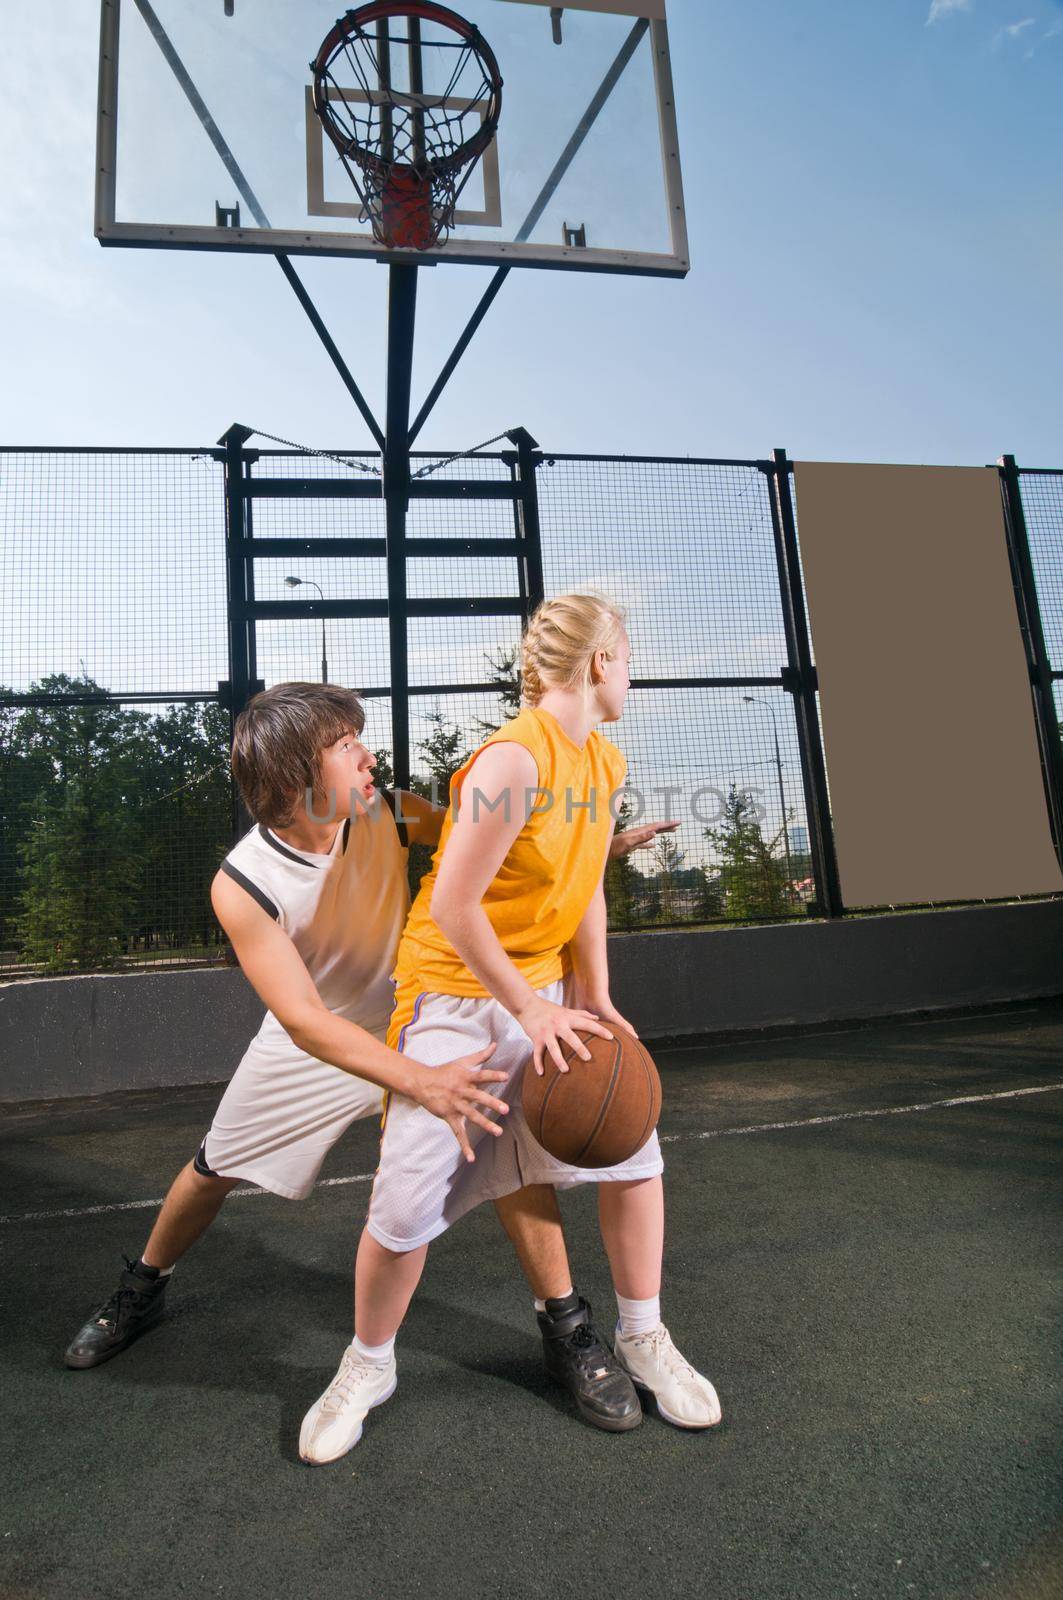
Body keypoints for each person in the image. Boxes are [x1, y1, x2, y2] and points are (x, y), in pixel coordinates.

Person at [63, 681, 674, 1419]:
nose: (369, 756)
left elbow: (488, 848)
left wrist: (589, 850)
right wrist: (420, 1081)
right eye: (347, 747)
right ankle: (142, 1288)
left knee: (507, 1158)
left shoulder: (386, 811)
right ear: (295, 780)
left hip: (423, 1008)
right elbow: (302, 1021)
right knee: (213, 1166)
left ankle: (566, 1326)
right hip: (322, 1038)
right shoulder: (244, 883)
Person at [299, 597, 722, 1466]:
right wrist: (527, 1010)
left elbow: (583, 888)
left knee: (635, 1150)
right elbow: (453, 905)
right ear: (600, 661)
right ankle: (367, 1364)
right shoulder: (510, 759)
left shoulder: (602, 762)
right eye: (629, 653)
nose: (632, 670)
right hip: (452, 994)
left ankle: (642, 1335)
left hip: (544, 983)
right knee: (406, 1204)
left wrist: (594, 995)